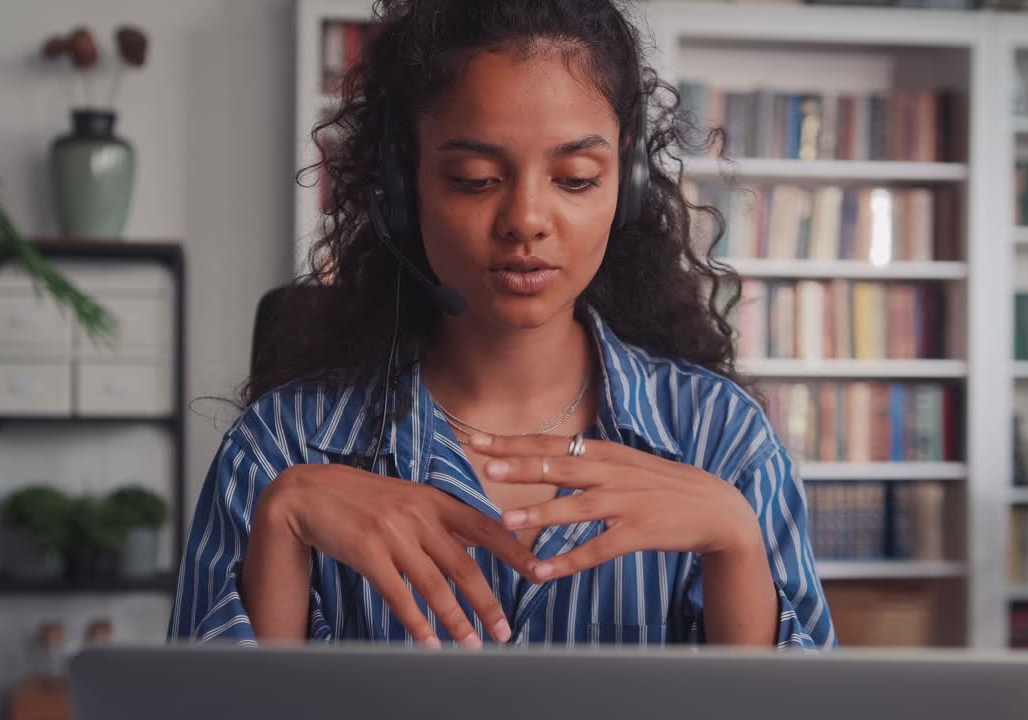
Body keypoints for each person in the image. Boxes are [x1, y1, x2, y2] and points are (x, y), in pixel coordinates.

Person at [169, 0, 834, 651]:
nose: (526, 219)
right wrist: (283, 526)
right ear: (405, 185)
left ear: (625, 181)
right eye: (475, 178)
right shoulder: (282, 448)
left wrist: (737, 547)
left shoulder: (722, 441)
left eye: (574, 178)